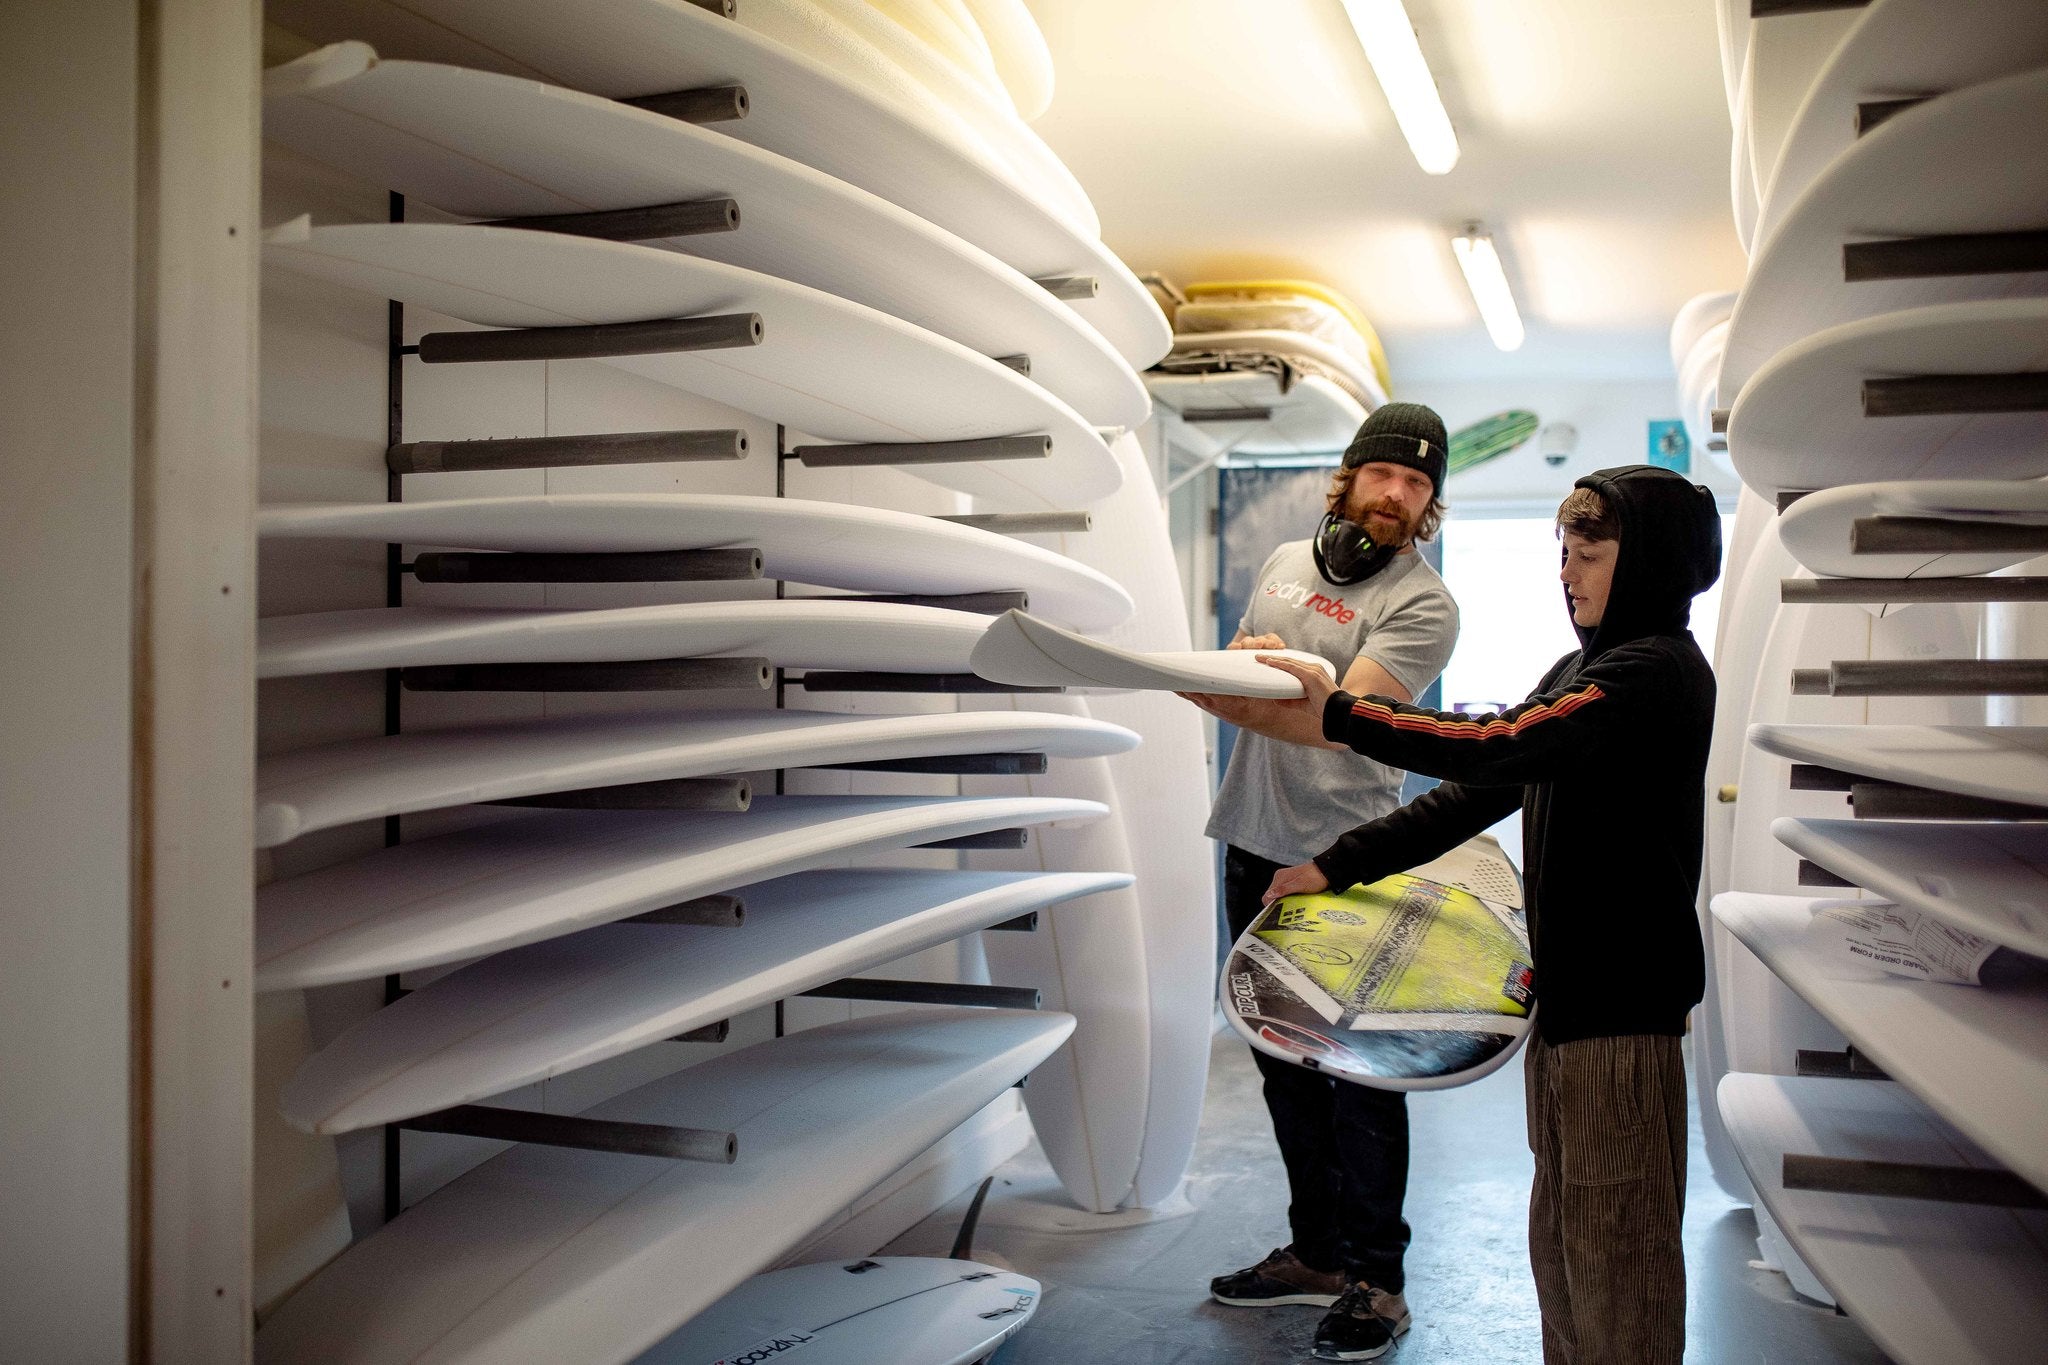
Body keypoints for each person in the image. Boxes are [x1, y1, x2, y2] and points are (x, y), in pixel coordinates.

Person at [1256, 465, 1721, 1365]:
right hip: (1568, 1013)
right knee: (1567, 1249)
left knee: (1619, 1260)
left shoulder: (1653, 673)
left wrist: (1346, 715)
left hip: (1622, 1021)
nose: (1567, 573)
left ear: (1653, 563)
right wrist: (1336, 863)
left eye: (1589, 554)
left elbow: (1503, 740)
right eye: (1563, 553)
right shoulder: (1582, 669)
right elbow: (1474, 791)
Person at [1182, 403, 1460, 1363]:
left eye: (1419, 485)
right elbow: (1250, 669)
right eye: (1386, 475)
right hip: (1252, 844)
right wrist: (1225, 671)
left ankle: (1377, 1283)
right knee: (1280, 1067)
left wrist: (1217, 687)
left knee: (1359, 1078)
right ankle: (1315, 1252)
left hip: (1346, 860)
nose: (1399, 496)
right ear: (1348, 477)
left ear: (1429, 505)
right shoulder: (1285, 564)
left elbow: (1343, 721)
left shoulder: (1425, 603)